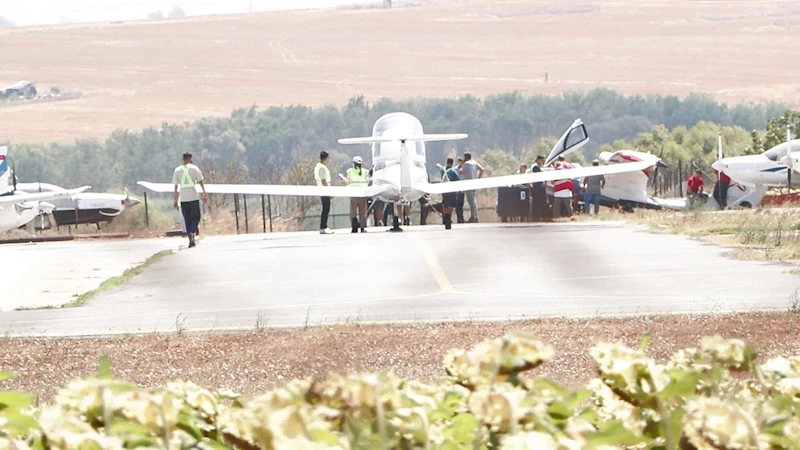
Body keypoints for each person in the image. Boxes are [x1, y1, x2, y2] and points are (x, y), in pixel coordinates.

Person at [171, 152, 207, 248]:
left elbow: (175, 186)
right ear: (190, 158)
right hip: (193, 196)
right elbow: (200, 181)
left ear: (183, 159)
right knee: (196, 216)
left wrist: (175, 199)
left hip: (183, 197)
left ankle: (190, 235)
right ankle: (192, 231)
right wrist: (204, 193)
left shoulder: (177, 170)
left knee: (187, 218)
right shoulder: (195, 168)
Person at [459, 152, 484, 222]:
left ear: (465, 157)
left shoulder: (466, 164)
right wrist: (479, 178)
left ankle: (473, 217)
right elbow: (482, 169)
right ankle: (476, 215)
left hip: (468, 183)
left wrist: (462, 164)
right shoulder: (475, 162)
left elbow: (460, 172)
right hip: (474, 183)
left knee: (470, 201)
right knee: (473, 200)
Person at [346, 156, 368, 233]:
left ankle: (354, 226)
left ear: (353, 163)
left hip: (353, 192)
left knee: (353, 211)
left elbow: (348, 181)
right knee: (363, 211)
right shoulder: (365, 171)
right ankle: (362, 227)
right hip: (363, 192)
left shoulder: (349, 171)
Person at [436, 157, 460, 229]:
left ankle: (445, 217)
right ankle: (448, 218)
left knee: (445, 204)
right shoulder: (453, 172)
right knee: (451, 205)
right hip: (451, 190)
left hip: (444, 189)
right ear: (452, 163)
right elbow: (458, 180)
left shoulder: (442, 170)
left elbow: (440, 167)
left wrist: (438, 165)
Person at [315, 151, 334, 234]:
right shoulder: (322, 168)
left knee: (326, 209)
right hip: (324, 191)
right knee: (326, 209)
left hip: (322, 190)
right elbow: (323, 181)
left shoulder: (319, 166)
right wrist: (328, 191)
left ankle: (324, 226)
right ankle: (323, 227)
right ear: (325, 158)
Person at [529, 155, 547, 222]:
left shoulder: (537, 167)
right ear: (538, 160)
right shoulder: (535, 167)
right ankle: (537, 217)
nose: (542, 162)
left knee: (540, 203)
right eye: (542, 160)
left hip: (538, 187)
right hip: (537, 188)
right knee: (538, 203)